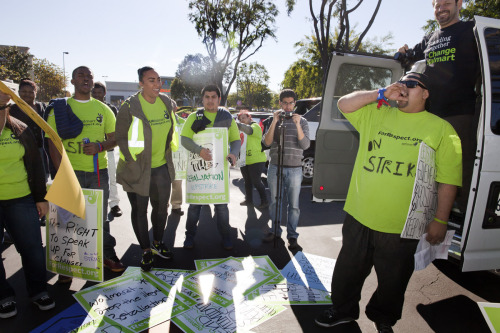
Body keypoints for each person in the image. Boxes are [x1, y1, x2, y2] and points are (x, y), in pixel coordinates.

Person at [314, 72, 462, 333]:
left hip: (402, 225)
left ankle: (383, 318)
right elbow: (343, 104)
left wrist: (440, 220)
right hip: (359, 216)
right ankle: (343, 311)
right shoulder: (377, 113)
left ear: (426, 93)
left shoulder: (442, 130)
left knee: (393, 281)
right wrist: (380, 93)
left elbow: (448, 180)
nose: (404, 87)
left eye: (412, 84)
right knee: (348, 272)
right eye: (401, 83)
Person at [397, 0, 479, 213]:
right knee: (429, 172)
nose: (441, 8)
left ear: (459, 4)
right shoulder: (430, 39)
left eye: (446, 3)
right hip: (431, 116)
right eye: (437, 5)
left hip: (460, 115)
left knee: (460, 173)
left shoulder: (471, 29)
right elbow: (407, 57)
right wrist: (402, 52)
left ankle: (466, 219)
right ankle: (428, 218)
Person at [46, 66, 125, 282]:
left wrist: (100, 146)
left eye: (89, 76)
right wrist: (63, 173)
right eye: (80, 75)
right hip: (69, 174)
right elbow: (53, 143)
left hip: (97, 173)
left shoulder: (103, 109)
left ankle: (105, 256)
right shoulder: (60, 108)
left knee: (98, 220)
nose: (86, 79)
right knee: (65, 220)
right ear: (72, 81)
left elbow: (115, 138)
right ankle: (64, 266)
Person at [115, 66, 177, 272]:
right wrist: (132, 161)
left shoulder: (166, 102)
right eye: (151, 80)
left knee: (161, 210)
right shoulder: (130, 106)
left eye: (158, 80)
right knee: (140, 211)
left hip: (161, 166)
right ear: (140, 83)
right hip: (137, 169)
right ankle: (145, 251)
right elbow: (120, 137)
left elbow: (171, 128)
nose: (157, 84)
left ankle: (157, 243)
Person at [0, 92, 55, 318]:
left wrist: (41, 197)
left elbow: (35, 164)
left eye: (4, 107)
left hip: (21, 198)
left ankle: (38, 291)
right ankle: (4, 296)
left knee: (32, 248)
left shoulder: (20, 129)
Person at [181, 84, 241, 250]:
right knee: (194, 206)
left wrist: (234, 153)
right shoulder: (194, 117)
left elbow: (235, 140)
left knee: (221, 206)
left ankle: (226, 236)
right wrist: (199, 151)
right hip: (198, 170)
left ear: (219, 99)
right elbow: (184, 139)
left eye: (213, 97)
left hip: (219, 170)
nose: (210, 100)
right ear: (203, 99)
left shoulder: (226, 117)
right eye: (207, 97)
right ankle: (189, 236)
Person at [262, 89, 310, 250]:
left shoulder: (302, 121)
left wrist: (297, 125)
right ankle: (275, 231)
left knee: (294, 205)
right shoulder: (273, 120)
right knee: (275, 202)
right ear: (280, 103)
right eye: (285, 103)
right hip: (275, 166)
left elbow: (305, 145)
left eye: (291, 103)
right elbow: (267, 143)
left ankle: (292, 236)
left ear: (295, 103)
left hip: (295, 169)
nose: (288, 106)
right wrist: (275, 122)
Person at [91, 82, 123, 218]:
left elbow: (116, 131)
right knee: (94, 179)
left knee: (112, 177)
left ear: (105, 94)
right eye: (95, 93)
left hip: (108, 150)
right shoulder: (88, 108)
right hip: (91, 151)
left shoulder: (111, 109)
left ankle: (114, 204)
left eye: (100, 93)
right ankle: (94, 205)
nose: (97, 95)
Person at [236, 109, 268, 208]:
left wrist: (235, 124)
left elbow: (248, 130)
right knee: (247, 181)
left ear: (250, 117)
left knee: (256, 181)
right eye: (240, 119)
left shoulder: (255, 126)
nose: (242, 120)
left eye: (244, 118)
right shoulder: (241, 129)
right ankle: (248, 200)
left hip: (257, 159)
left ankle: (265, 201)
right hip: (244, 159)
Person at [170, 113, 185, 216]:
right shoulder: (160, 119)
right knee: (163, 185)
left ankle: (176, 206)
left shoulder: (182, 122)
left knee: (177, 184)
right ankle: (162, 206)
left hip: (178, 158)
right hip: (163, 158)